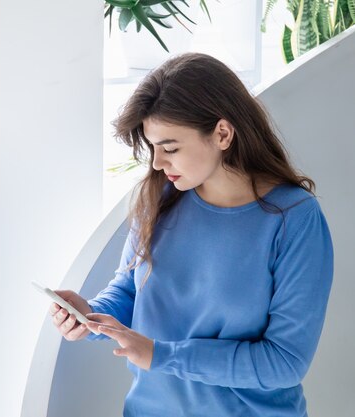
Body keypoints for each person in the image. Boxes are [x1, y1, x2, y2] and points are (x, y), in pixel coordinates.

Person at [48, 53, 333, 417]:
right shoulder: (155, 198)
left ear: (222, 133)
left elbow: (284, 362)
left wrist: (161, 355)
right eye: (152, 147)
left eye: (170, 148)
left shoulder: (294, 218)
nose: (156, 163)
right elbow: (132, 289)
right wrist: (90, 316)